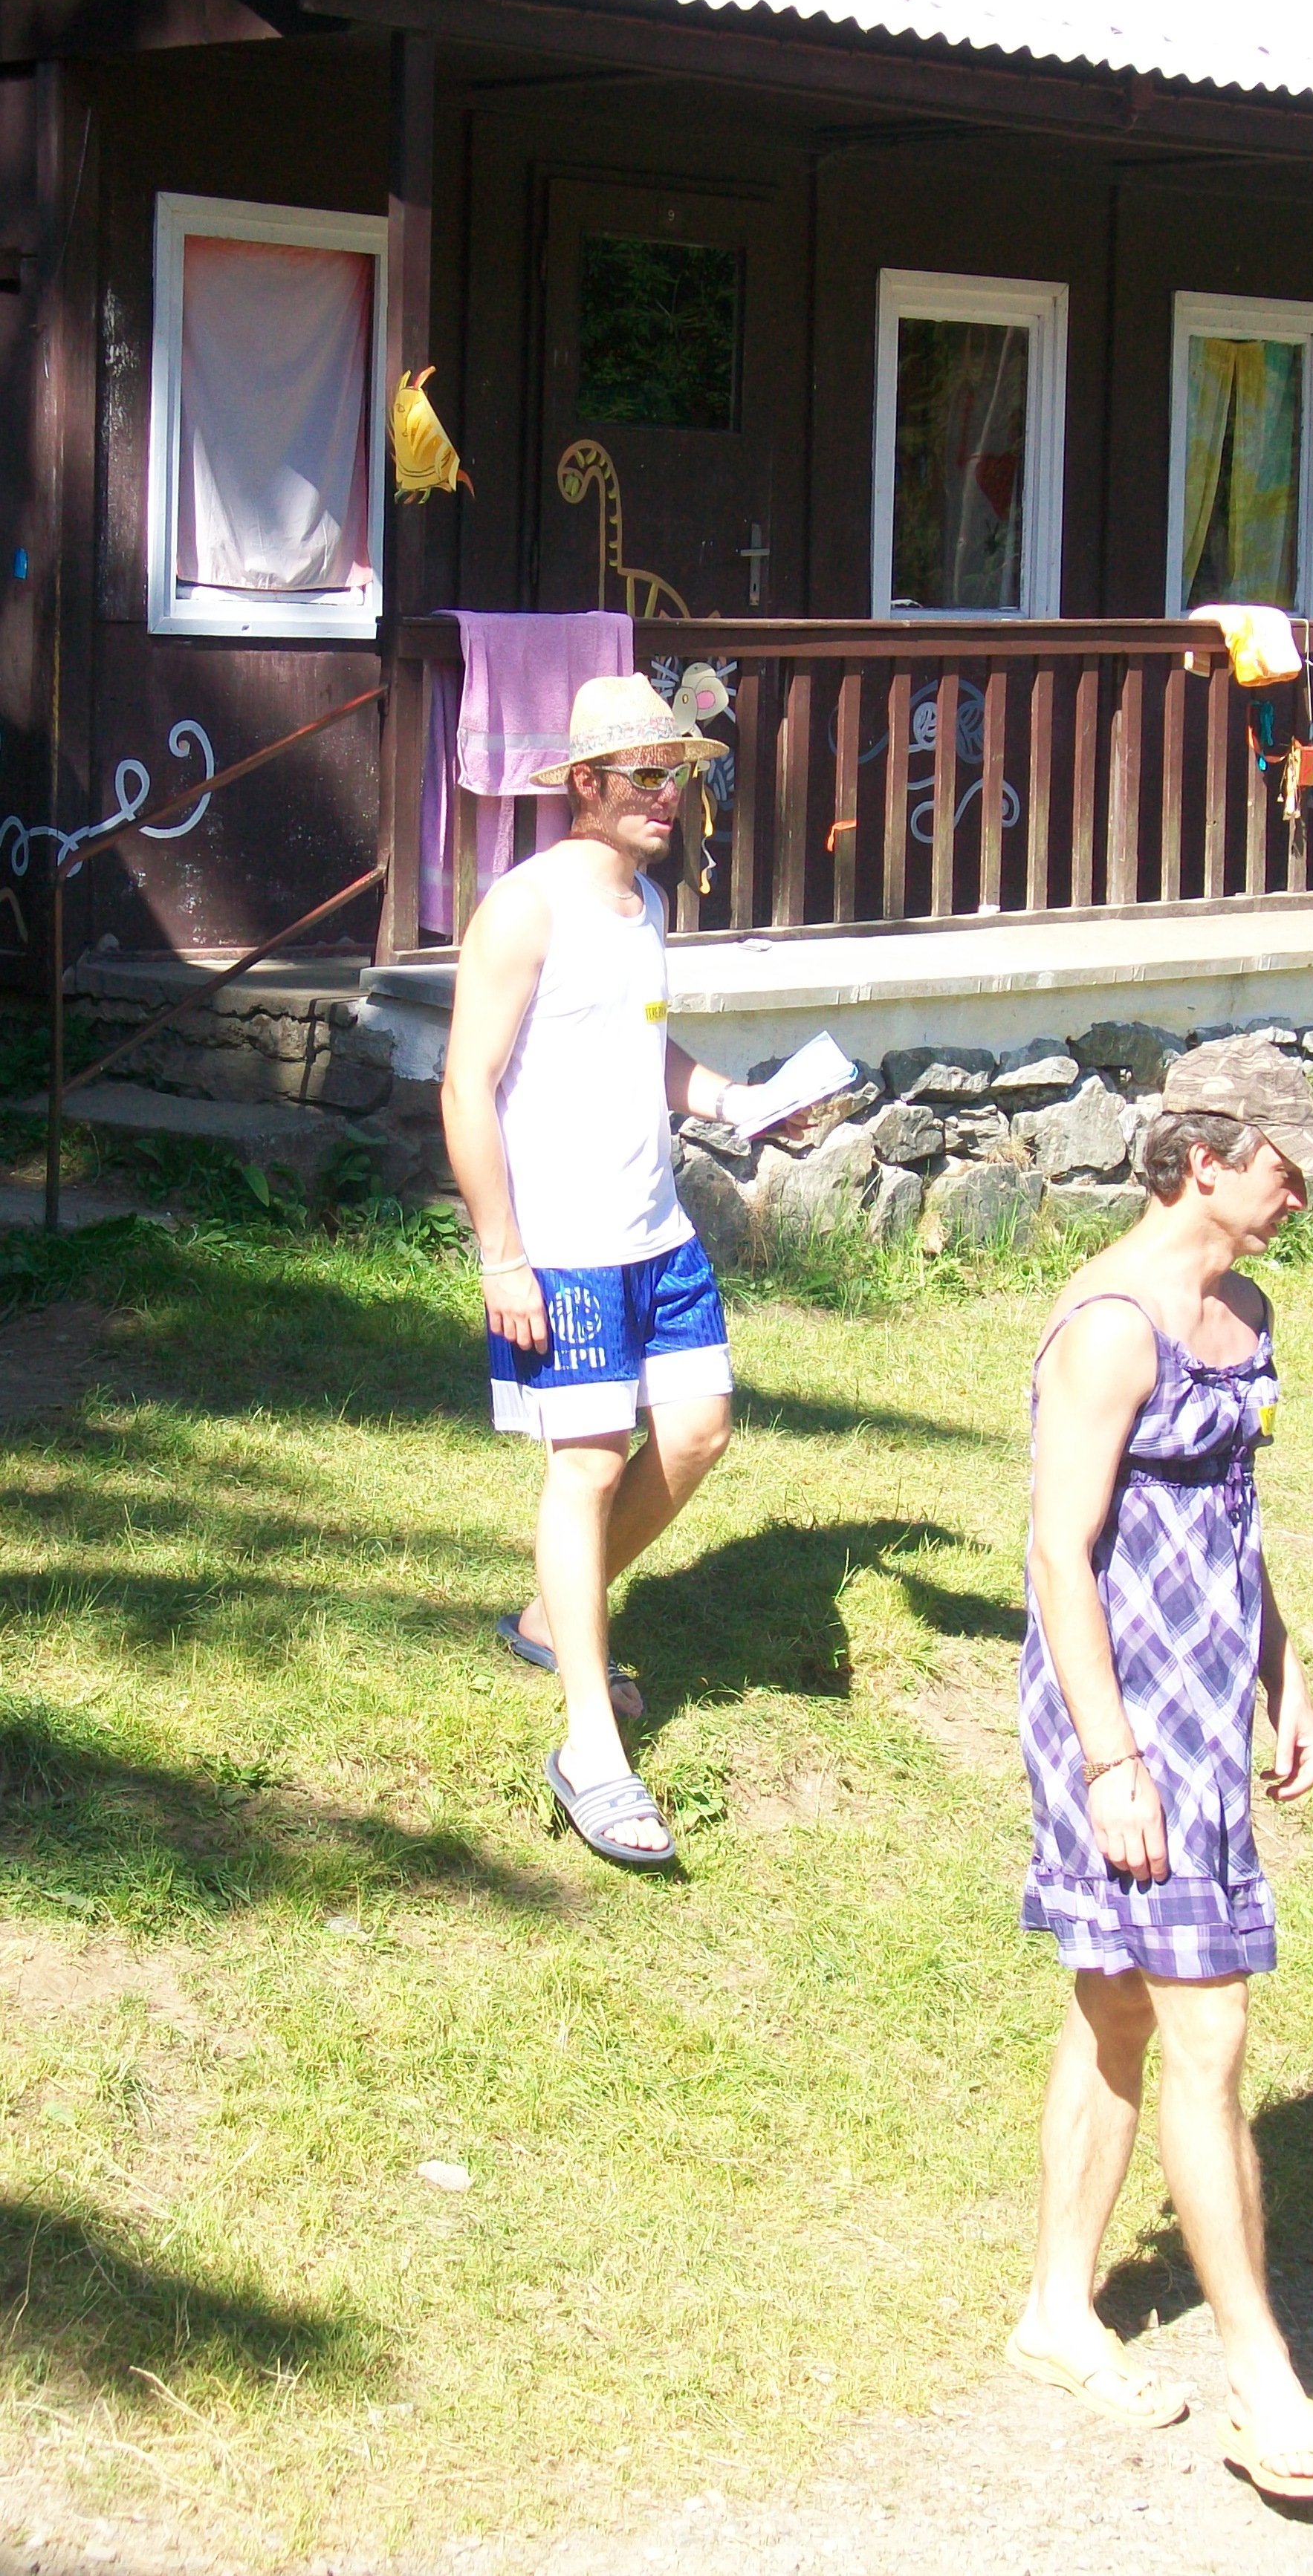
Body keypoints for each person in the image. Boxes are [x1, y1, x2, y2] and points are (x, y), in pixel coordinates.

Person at [1008, 1034, 1313, 2502]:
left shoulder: (1246, 1313)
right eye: (1284, 1169)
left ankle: (1054, 2314)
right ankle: (1262, 2380)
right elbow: (1057, 1553)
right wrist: (1110, 1762)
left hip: (1212, 1713)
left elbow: (1232, 1514)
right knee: (1206, 2035)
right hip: (1118, 1726)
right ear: (1204, 1161)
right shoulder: (1111, 1327)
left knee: (1115, 2009)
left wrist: (1283, 1674)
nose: (1300, 1196)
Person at [441, 674, 795, 1871]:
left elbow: (645, 1049)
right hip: (565, 1250)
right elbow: (464, 1085)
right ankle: (591, 1746)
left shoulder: (643, 901)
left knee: (697, 1435)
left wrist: (740, 1101)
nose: (668, 796)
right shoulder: (524, 907)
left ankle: (557, 1613)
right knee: (586, 1465)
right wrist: (503, 1255)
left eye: (678, 774)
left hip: (657, 1234)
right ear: (583, 785)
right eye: (646, 776)